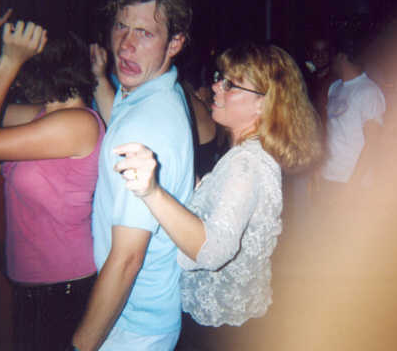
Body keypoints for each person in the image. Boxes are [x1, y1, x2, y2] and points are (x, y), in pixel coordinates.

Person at [113, 42, 322, 349]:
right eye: (219, 77)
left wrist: (151, 191)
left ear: (264, 103)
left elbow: (213, 252)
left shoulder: (246, 163)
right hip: (234, 322)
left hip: (220, 331)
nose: (215, 86)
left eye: (230, 85)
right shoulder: (245, 154)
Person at [0, 0, 104, 351]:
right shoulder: (44, 116)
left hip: (64, 288)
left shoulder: (77, 124)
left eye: (22, 68)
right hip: (33, 284)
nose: (17, 80)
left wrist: (9, 60)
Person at [71, 0, 194, 351]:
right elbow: (120, 124)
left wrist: (80, 346)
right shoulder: (154, 90)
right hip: (148, 312)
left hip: (132, 323)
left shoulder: (146, 124)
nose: (126, 45)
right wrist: (99, 79)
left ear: (175, 43)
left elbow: (126, 261)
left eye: (145, 33)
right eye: (121, 26)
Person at [314, 36, 386, 198]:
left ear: (342, 56)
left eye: (333, 55)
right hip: (328, 178)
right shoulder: (335, 87)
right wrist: (319, 169)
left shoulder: (368, 91)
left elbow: (373, 142)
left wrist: (354, 183)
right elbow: (331, 133)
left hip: (352, 183)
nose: (330, 60)